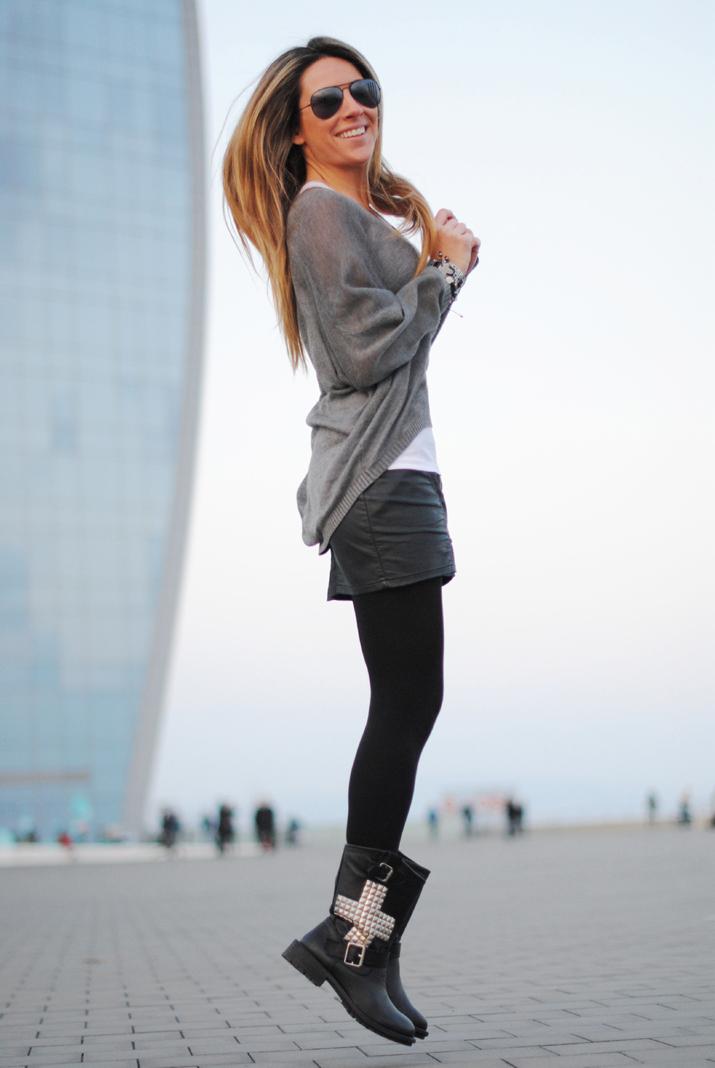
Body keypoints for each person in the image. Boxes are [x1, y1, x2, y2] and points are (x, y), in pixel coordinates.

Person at [222, 36, 479, 1047]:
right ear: (296, 130)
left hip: (400, 476)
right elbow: (372, 351)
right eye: (325, 101)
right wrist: (444, 270)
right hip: (379, 485)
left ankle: (369, 940)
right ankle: (353, 938)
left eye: (360, 90)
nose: (350, 108)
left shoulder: (355, 213)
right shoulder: (319, 213)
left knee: (411, 703)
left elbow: (388, 340)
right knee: (405, 704)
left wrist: (434, 263)